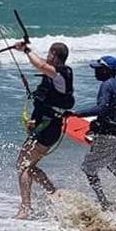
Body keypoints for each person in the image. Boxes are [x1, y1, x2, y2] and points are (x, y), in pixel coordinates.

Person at [66, 56, 116, 209]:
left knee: (88, 168)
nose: (95, 72)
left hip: (108, 135)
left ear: (107, 70)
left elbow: (101, 108)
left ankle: (103, 201)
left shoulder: (106, 85)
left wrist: (75, 113)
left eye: (98, 69)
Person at [12, 41, 75, 219]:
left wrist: (26, 50)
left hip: (47, 129)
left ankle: (25, 208)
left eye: (49, 53)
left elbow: (39, 64)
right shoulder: (57, 74)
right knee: (28, 166)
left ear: (54, 54)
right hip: (46, 127)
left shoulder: (60, 74)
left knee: (23, 166)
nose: (47, 56)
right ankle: (53, 192)